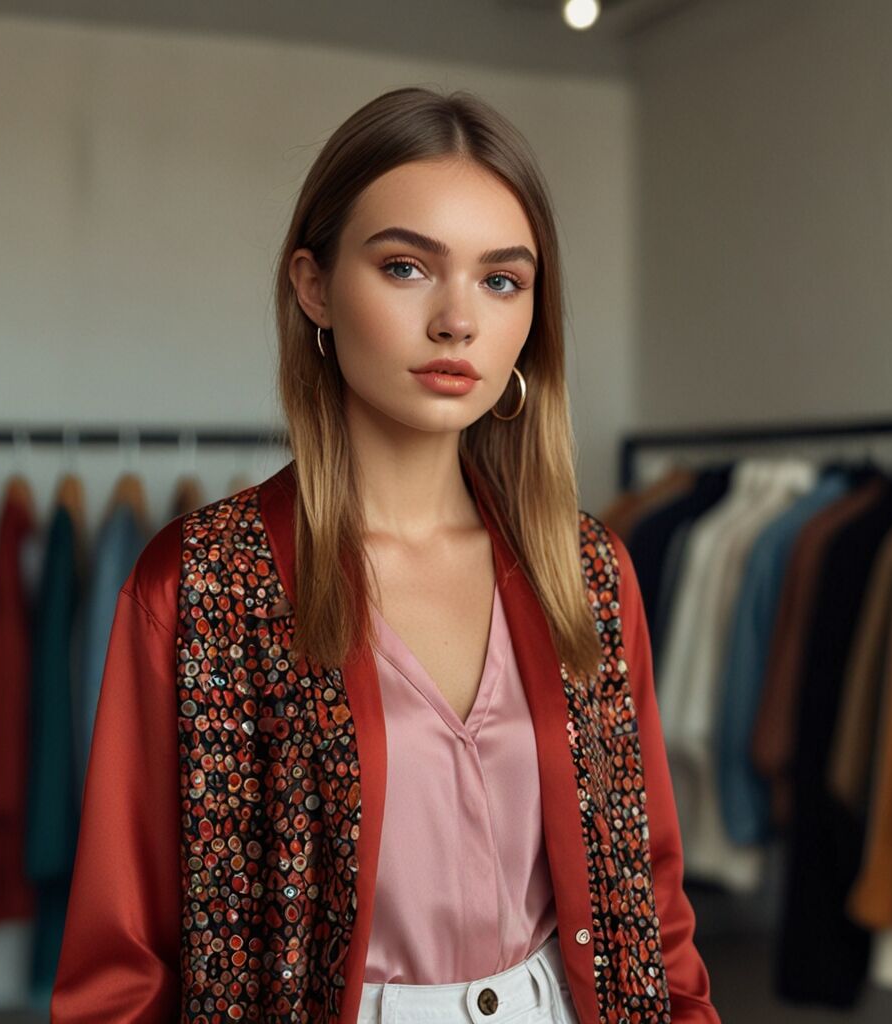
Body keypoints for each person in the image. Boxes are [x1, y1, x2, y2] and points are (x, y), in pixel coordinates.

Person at [50, 86, 720, 1024]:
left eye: (501, 280)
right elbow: (123, 968)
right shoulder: (204, 582)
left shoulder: (588, 571)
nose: (458, 322)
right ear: (314, 285)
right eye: (407, 268)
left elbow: (652, 909)